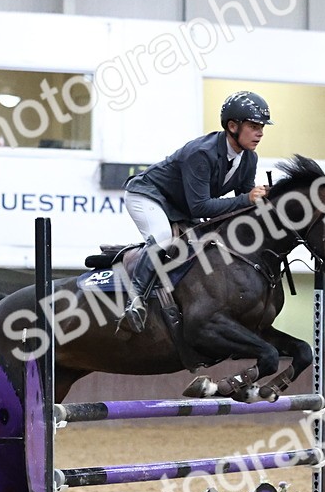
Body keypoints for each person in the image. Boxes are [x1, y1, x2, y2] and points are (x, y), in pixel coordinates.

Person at [117, 90, 273, 334]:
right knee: (162, 237)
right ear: (233, 126)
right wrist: (248, 198)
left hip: (179, 206)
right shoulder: (202, 153)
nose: (260, 133)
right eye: (254, 126)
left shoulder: (249, 158)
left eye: (262, 127)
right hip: (147, 194)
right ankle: (135, 299)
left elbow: (244, 204)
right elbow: (201, 207)